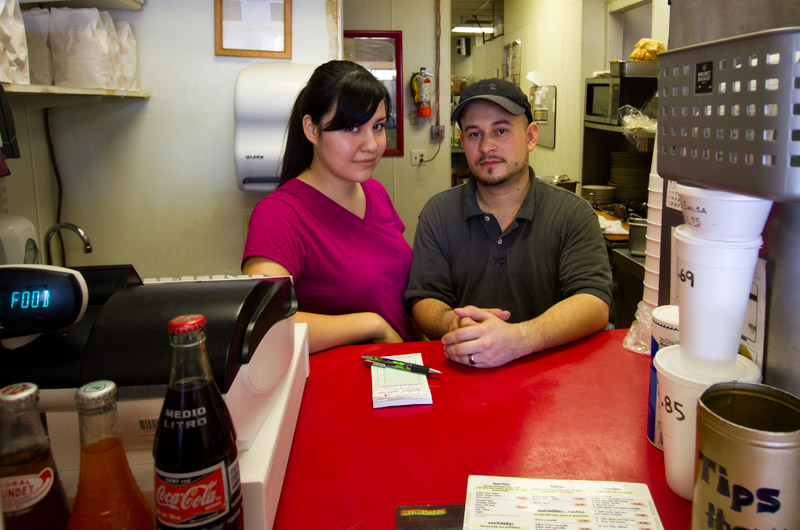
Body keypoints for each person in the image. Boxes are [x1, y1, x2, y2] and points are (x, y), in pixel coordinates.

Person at [404, 78, 612, 368]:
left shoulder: (572, 214)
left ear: (530, 137)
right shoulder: (438, 213)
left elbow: (594, 301)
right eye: (474, 134)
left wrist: (518, 339)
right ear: (463, 143)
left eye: (500, 131)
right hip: (466, 374)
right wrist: (454, 322)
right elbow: (425, 298)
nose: (487, 146)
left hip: (552, 381)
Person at [243, 60, 417, 353]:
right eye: (351, 128)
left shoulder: (374, 192)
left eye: (377, 126)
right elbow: (263, 322)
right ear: (312, 130)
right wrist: (371, 325)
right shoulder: (279, 214)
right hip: (346, 383)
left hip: (404, 374)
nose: (372, 144)